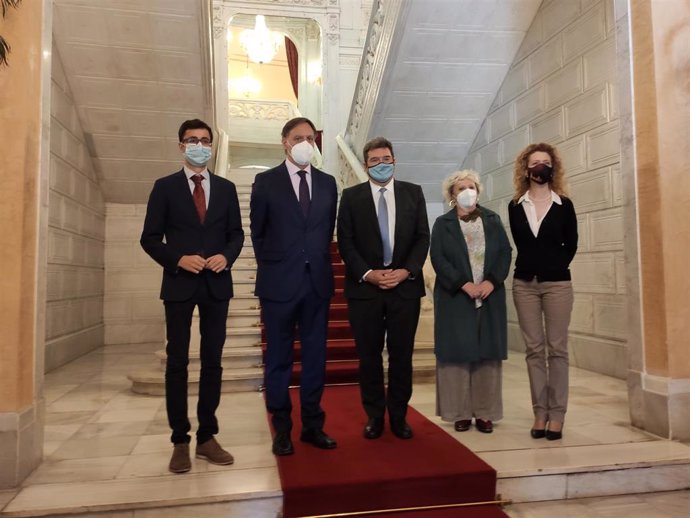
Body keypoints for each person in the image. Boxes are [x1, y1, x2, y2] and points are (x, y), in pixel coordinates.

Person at [140, 119, 244, 473]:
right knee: (177, 363)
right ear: (181, 146)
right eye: (192, 140)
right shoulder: (165, 187)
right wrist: (178, 259)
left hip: (217, 284)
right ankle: (180, 440)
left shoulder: (227, 189)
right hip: (179, 284)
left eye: (204, 140)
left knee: (213, 361)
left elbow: (236, 235)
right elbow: (149, 238)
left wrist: (227, 256)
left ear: (212, 146)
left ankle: (207, 437)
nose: (199, 144)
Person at [250, 117, 338, 456]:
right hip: (278, 285)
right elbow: (258, 233)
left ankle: (313, 425)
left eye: (310, 137)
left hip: (317, 283)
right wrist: (276, 267)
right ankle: (282, 428)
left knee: (315, 358)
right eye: (298, 137)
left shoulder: (329, 183)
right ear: (284, 142)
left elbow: (325, 230)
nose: (305, 142)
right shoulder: (265, 181)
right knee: (279, 359)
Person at [337, 136, 430, 440]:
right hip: (366, 290)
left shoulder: (413, 193)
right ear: (365, 165)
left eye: (385, 159)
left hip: (405, 289)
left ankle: (400, 416)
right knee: (369, 356)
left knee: (402, 355)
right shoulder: (350, 197)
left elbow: (421, 238)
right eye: (374, 160)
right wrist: (367, 273)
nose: (380, 164)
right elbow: (346, 242)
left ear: (394, 161)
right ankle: (375, 416)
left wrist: (406, 271)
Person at [430, 170, 512, 434]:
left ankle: (485, 413)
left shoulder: (492, 218)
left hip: (489, 295)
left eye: (471, 186)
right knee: (457, 356)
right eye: (461, 188)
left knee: (487, 356)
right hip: (456, 296)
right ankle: (459, 413)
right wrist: (463, 284)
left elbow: (504, 252)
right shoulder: (443, 224)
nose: (467, 191)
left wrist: (490, 281)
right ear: (452, 196)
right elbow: (438, 257)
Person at [508, 142, 578, 441]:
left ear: (553, 167)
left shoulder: (565, 204)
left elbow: (571, 244)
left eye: (545, 162)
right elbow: (522, 244)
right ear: (526, 168)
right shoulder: (515, 205)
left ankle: (557, 415)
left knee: (557, 349)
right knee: (534, 350)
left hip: (558, 284)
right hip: (524, 284)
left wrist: (553, 266)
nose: (540, 167)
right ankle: (540, 411)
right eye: (534, 162)